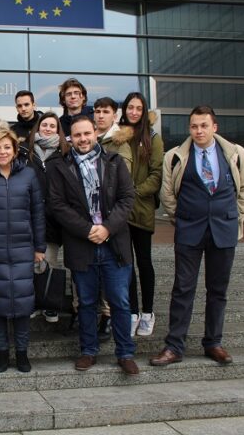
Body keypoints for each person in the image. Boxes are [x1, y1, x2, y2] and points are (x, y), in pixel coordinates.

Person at [150, 106, 244, 367]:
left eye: (204, 125)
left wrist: (233, 214)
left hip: (224, 231)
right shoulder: (174, 157)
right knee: (183, 289)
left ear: (214, 127)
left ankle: (213, 343)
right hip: (189, 231)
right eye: (194, 126)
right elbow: (167, 194)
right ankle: (174, 346)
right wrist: (181, 216)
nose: (199, 131)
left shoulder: (235, 153)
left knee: (218, 290)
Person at [47, 116, 138, 374]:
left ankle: (125, 353)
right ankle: (88, 350)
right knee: (86, 302)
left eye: (87, 133)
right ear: (70, 138)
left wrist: (107, 228)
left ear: (95, 133)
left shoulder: (114, 161)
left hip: (114, 243)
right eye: (77, 135)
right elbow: (57, 205)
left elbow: (127, 198)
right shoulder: (59, 166)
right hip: (81, 243)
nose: (83, 139)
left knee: (120, 301)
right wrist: (87, 230)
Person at [0, 129, 46, 373]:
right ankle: (2, 352)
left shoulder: (29, 175)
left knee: (22, 306)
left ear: (14, 150)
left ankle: (22, 353)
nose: (2, 152)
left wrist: (40, 247)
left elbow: (37, 212)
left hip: (23, 249)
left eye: (6, 147)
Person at [119, 92, 164, 337]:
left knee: (144, 262)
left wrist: (133, 193)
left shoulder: (153, 138)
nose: (134, 112)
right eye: (130, 107)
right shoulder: (118, 135)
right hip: (121, 213)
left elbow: (157, 174)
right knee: (126, 264)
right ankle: (133, 312)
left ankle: (148, 312)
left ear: (144, 111)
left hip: (142, 208)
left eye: (138, 108)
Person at [93, 96, 133, 338]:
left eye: (105, 111)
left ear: (114, 115)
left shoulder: (120, 144)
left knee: (115, 288)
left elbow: (125, 189)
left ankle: (111, 323)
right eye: (97, 111)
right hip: (90, 222)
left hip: (112, 222)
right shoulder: (91, 139)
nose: (100, 115)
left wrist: (109, 224)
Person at [25, 112, 69, 324]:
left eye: (53, 126)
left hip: (53, 218)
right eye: (45, 125)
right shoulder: (26, 153)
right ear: (38, 128)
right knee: (30, 264)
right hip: (29, 216)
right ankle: (34, 302)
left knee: (49, 261)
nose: (48, 129)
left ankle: (49, 304)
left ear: (58, 130)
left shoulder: (65, 154)